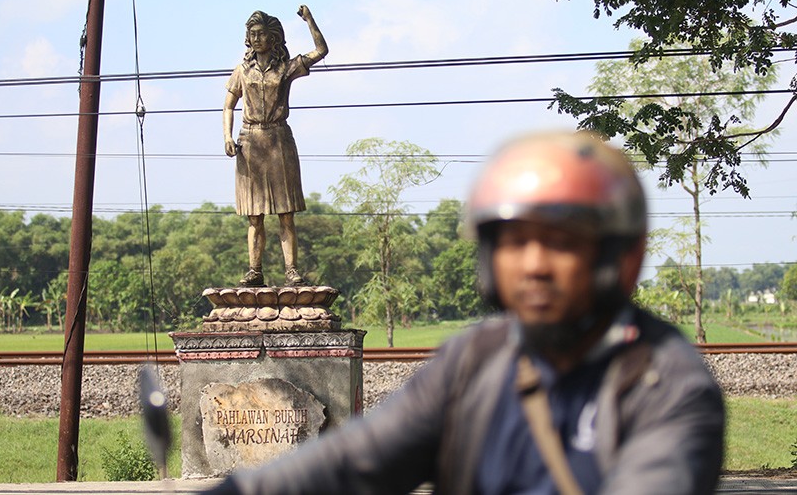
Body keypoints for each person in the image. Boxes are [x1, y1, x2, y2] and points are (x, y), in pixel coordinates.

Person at [205, 131, 725, 494]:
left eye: (562, 243)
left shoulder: (665, 385)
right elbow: (354, 462)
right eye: (515, 242)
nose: (535, 266)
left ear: (620, 258)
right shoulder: (477, 360)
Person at [223, 6, 328, 287]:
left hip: (279, 140)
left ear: (274, 38)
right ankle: (254, 270)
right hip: (250, 143)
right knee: (254, 216)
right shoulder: (241, 71)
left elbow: (320, 51)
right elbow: (229, 105)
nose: (256, 39)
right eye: (252, 34)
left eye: (261, 34)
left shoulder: (285, 67)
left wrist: (309, 20)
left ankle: (291, 270)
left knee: (285, 213)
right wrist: (227, 136)